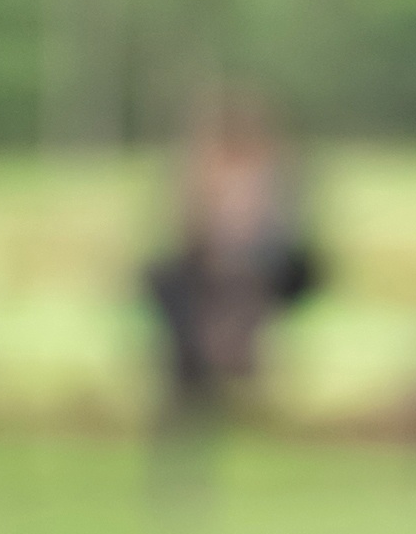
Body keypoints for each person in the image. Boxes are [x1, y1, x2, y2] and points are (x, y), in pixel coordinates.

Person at [137, 90, 322, 480]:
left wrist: (241, 244)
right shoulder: (201, 179)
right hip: (212, 280)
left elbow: (280, 235)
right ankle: (218, 358)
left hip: (262, 275)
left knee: (239, 284)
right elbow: (188, 233)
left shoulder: (274, 176)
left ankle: (219, 357)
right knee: (178, 289)